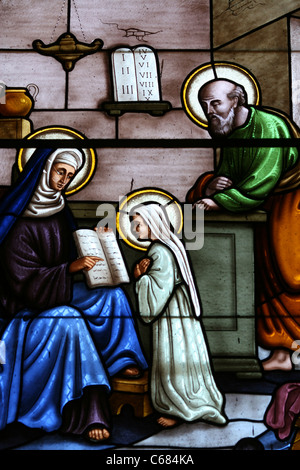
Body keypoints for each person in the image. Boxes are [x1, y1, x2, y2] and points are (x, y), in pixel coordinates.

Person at [0, 147, 148, 443]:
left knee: (111, 296)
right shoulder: (17, 218)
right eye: (60, 172)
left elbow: (64, 258)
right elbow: (23, 283)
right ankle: (89, 411)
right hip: (22, 313)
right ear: (44, 170)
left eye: (69, 175)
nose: (63, 180)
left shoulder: (57, 210)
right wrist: (70, 268)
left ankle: (121, 360)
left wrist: (91, 246)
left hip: (53, 293)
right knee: (71, 319)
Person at [186, 78, 300, 371]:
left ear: (235, 101)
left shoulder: (268, 126)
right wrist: (212, 188)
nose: (209, 110)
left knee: (291, 274)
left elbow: (263, 178)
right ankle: (281, 352)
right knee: (265, 275)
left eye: (215, 103)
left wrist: (221, 201)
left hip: (292, 203)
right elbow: (229, 178)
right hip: (261, 208)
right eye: (204, 105)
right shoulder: (232, 133)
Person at [131, 202, 227, 428]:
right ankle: (188, 404)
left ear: (152, 223)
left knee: (173, 356)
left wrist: (140, 278)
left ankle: (179, 408)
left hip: (171, 312)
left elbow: (159, 291)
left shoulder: (159, 251)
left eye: (138, 224)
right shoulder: (168, 246)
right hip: (178, 308)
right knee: (183, 357)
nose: (135, 229)